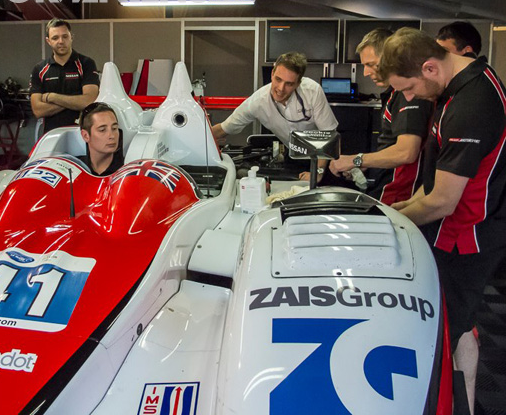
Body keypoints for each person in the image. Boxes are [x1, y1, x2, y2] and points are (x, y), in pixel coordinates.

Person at [379, 27, 506, 415]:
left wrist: (385, 219)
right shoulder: (459, 88)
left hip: (467, 235)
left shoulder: (471, 105)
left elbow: (441, 200)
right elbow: (431, 182)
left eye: (411, 88)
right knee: (460, 324)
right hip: (456, 229)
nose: (410, 98)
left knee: (441, 334)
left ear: (430, 67)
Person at [329, 28, 434, 205]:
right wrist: (365, 163)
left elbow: (406, 152)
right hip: (386, 185)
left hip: (400, 192)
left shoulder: (408, 94)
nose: (366, 73)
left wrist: (356, 159)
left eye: (371, 64)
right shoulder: (394, 94)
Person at [211, 52, 338, 182]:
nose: (281, 88)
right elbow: (224, 128)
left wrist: (318, 172)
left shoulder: (312, 92)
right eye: (278, 79)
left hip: (322, 157)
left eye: (289, 84)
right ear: (272, 74)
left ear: (298, 83)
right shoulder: (258, 101)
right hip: (294, 154)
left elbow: (329, 135)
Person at [30, 19, 99, 134]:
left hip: (82, 133)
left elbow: (89, 101)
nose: (61, 41)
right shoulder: (39, 69)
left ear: (71, 37)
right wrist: (75, 100)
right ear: (48, 41)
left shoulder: (86, 63)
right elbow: (37, 110)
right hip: (52, 134)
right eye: (55, 38)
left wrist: (52, 97)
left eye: (65, 36)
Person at [78, 102, 123, 176]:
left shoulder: (128, 170)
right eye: (102, 130)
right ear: (86, 136)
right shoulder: (75, 169)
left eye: (114, 128)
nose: (112, 136)